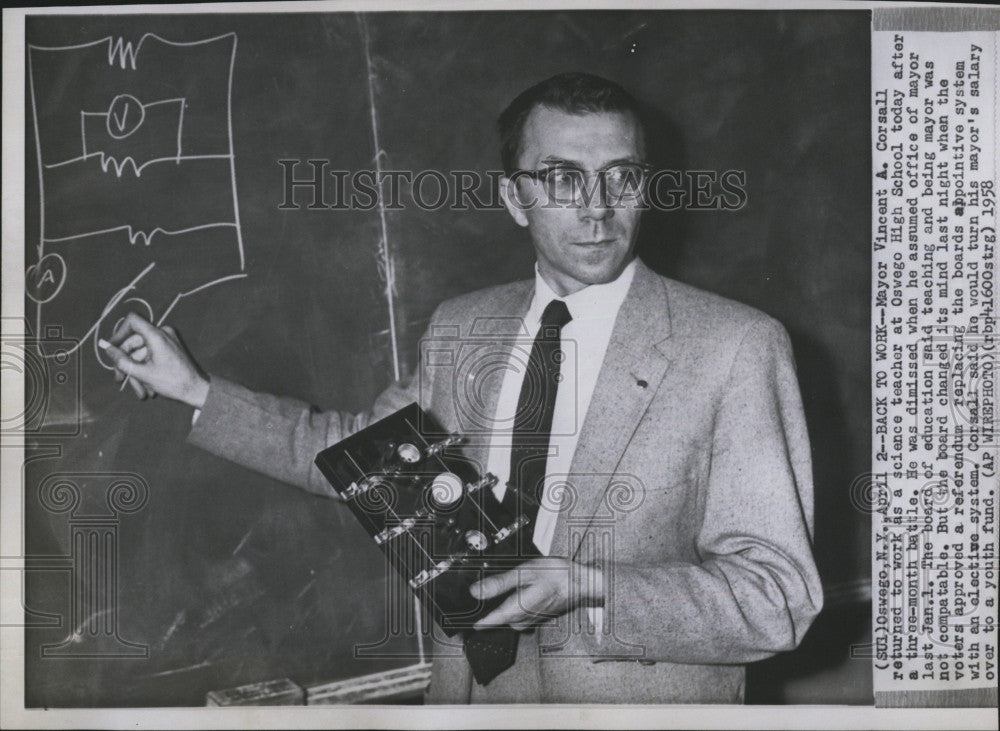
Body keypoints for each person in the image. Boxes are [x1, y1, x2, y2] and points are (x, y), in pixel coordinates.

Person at [100, 72, 823, 704]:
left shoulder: (734, 346)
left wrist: (590, 584)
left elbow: (778, 598)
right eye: (563, 178)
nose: (598, 207)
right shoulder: (460, 327)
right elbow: (362, 458)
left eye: (621, 176)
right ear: (514, 198)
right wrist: (193, 388)